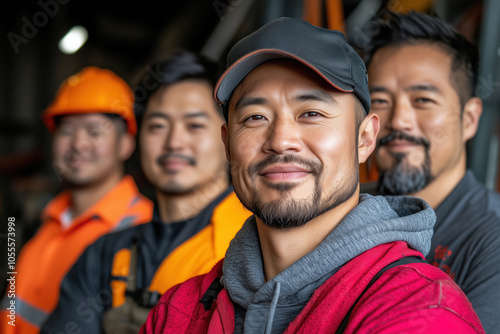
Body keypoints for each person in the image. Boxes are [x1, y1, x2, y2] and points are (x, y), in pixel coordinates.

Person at [140, 17, 484, 333]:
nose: (280, 141)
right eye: (255, 117)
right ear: (228, 145)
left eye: (312, 113)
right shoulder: (177, 311)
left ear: (364, 139)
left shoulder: (419, 311)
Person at [40, 51, 251, 334]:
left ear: (228, 137)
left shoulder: (258, 248)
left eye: (194, 125)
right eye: (158, 126)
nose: (174, 141)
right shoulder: (105, 254)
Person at [363, 11, 500, 332]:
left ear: (469, 119)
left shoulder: (491, 241)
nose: (399, 120)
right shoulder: (342, 211)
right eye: (380, 100)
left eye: (423, 99)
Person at [1, 67, 153, 334]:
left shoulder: (143, 228)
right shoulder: (49, 219)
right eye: (67, 131)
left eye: (94, 132)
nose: (78, 144)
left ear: (126, 144)